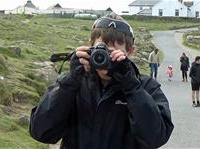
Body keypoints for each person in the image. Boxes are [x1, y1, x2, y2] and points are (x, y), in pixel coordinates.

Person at [29, 12, 174, 149]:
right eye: (100, 51)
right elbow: (40, 131)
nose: (105, 58)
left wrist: (130, 85)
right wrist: (70, 81)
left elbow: (156, 137)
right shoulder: (74, 85)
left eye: (112, 53)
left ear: (130, 52)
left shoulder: (145, 87)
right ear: (90, 47)